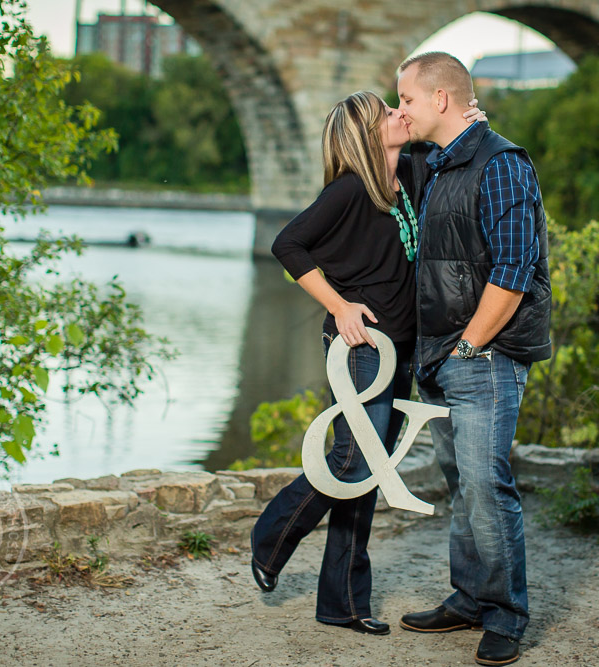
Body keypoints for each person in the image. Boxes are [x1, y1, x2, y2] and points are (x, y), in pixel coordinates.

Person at [249, 90, 484, 635]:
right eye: (389, 113)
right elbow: (288, 244)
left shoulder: (411, 177)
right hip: (362, 351)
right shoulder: (350, 191)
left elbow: (450, 144)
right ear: (367, 133)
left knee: (367, 476)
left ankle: (342, 603)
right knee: (355, 465)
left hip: (402, 349)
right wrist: (339, 305)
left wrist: (471, 121)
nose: (401, 115)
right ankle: (271, 538)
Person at [394, 52, 552, 666]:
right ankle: (469, 597)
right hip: (443, 353)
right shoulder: (434, 164)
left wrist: (471, 344)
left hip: (482, 353)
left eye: (406, 99)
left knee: (486, 484)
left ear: (439, 100)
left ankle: (507, 616)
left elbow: (513, 271)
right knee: (462, 482)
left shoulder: (502, 164)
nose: (400, 110)